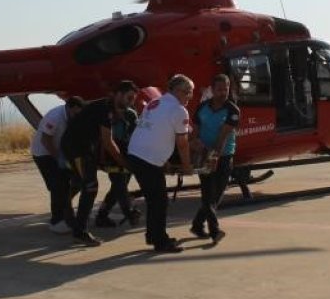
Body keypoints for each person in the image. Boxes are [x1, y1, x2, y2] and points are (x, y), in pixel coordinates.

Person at [60, 80, 139, 246]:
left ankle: (65, 210)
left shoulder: (111, 109)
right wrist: (125, 163)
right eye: (129, 98)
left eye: (133, 99)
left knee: (80, 183)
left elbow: (104, 141)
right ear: (118, 94)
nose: (131, 103)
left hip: (87, 148)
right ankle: (79, 232)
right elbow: (108, 141)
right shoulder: (105, 110)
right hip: (76, 148)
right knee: (90, 187)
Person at [126, 74, 195, 253]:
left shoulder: (155, 102)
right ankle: (160, 241)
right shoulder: (179, 110)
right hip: (147, 159)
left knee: (154, 200)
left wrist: (164, 163)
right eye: (188, 92)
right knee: (159, 202)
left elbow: (156, 133)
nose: (190, 97)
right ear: (177, 91)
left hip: (136, 154)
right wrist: (187, 166)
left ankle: (153, 236)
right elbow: (182, 143)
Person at [190, 74, 240, 243]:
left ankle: (197, 224)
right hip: (204, 155)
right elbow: (195, 130)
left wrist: (214, 156)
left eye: (226, 89)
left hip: (224, 155)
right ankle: (214, 231)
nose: (223, 92)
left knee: (216, 195)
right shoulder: (202, 107)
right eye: (219, 89)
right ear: (212, 90)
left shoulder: (233, 111)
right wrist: (195, 145)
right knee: (207, 193)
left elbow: (222, 137)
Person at [30, 96, 84, 233]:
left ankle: (66, 209)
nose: (77, 117)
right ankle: (57, 221)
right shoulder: (55, 117)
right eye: (75, 114)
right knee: (58, 185)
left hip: (61, 151)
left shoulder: (75, 116)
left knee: (77, 180)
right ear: (69, 108)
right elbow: (46, 140)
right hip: (43, 153)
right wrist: (59, 158)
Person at [94, 100, 141, 228]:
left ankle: (102, 215)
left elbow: (134, 135)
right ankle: (129, 213)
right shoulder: (106, 116)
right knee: (120, 185)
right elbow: (104, 140)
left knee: (118, 187)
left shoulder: (131, 115)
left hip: (127, 153)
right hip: (110, 155)